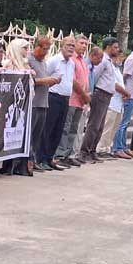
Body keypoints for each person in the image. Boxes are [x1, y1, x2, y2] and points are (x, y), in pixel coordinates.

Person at [80, 37, 127, 162]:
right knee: (94, 125)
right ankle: (85, 151)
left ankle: (92, 151)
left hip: (107, 95)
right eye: (115, 47)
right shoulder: (103, 60)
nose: (117, 50)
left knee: (100, 126)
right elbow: (94, 76)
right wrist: (92, 92)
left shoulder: (110, 61)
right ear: (108, 47)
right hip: (100, 94)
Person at [39, 36, 76, 171]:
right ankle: (41, 158)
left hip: (65, 99)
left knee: (58, 130)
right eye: (68, 45)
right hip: (53, 97)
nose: (71, 48)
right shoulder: (54, 61)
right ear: (62, 46)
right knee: (48, 129)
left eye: (73, 45)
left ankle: (50, 158)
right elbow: (44, 76)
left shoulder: (71, 63)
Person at [54, 35, 90, 167]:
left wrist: (86, 95)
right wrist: (83, 94)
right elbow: (73, 81)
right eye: (81, 43)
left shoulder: (83, 61)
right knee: (65, 128)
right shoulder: (71, 60)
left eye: (86, 44)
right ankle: (60, 154)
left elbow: (85, 79)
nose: (84, 46)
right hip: (72, 98)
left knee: (74, 129)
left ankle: (69, 154)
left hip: (80, 101)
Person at [2, 38, 35, 175]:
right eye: (24, 48)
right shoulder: (9, 64)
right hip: (13, 106)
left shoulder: (25, 64)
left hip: (25, 104)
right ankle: (8, 166)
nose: (27, 51)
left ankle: (19, 165)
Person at [28, 36, 60, 171]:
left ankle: (33, 161)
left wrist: (52, 81)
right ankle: (27, 162)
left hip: (43, 102)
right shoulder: (29, 60)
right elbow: (28, 80)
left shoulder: (43, 63)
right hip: (33, 103)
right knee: (30, 135)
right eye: (45, 49)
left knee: (37, 136)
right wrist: (45, 80)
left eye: (48, 49)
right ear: (37, 46)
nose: (46, 52)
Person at [112, 38, 133, 159]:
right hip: (129, 95)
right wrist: (125, 92)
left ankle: (123, 147)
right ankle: (117, 148)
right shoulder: (132, 59)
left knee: (125, 123)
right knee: (123, 123)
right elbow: (125, 75)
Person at [97, 51, 127, 158]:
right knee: (107, 127)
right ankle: (101, 149)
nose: (122, 60)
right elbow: (114, 84)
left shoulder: (118, 70)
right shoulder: (111, 69)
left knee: (114, 127)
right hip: (112, 102)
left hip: (119, 103)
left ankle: (107, 148)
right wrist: (125, 92)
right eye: (120, 57)